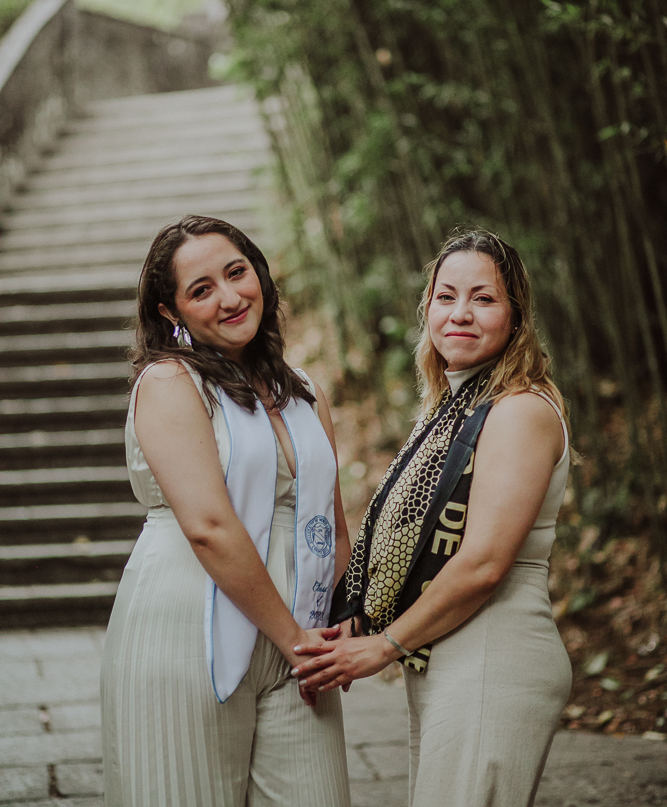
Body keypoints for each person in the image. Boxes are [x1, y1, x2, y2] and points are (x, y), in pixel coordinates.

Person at [293, 229, 573, 807]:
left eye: (484, 298)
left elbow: (485, 562)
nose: (461, 314)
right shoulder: (455, 407)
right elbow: (411, 539)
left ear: (516, 316)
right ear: (427, 310)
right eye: (446, 297)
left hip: (493, 656)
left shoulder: (519, 411)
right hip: (452, 659)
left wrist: (385, 645)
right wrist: (359, 616)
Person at [101, 215, 351, 807]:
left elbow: (334, 525)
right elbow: (209, 528)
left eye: (237, 272)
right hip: (189, 629)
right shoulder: (170, 384)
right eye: (201, 289)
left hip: (299, 640)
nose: (231, 297)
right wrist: (294, 639)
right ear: (172, 313)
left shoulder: (302, 390)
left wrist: (335, 626)